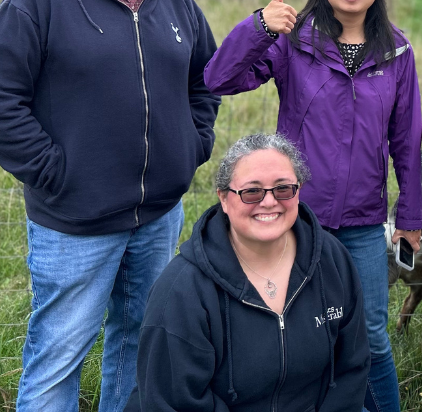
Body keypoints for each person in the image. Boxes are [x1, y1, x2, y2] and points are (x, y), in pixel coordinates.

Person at [0, 0, 220, 412]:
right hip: (74, 220)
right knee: (58, 357)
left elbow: (205, 81)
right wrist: (55, 171)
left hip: (158, 216)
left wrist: (193, 145)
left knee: (141, 346)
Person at [204, 0, 422, 412]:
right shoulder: (292, 42)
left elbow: (405, 141)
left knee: (370, 336)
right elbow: (219, 78)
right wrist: (259, 25)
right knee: (300, 335)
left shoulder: (397, 52)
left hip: (365, 222)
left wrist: (409, 215)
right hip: (294, 218)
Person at [126, 133, 370, 411]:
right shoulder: (182, 290)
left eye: (283, 189)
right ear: (224, 199)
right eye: (251, 191)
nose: (268, 202)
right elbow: (174, 401)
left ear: (298, 191)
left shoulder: (332, 259)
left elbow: (352, 365)